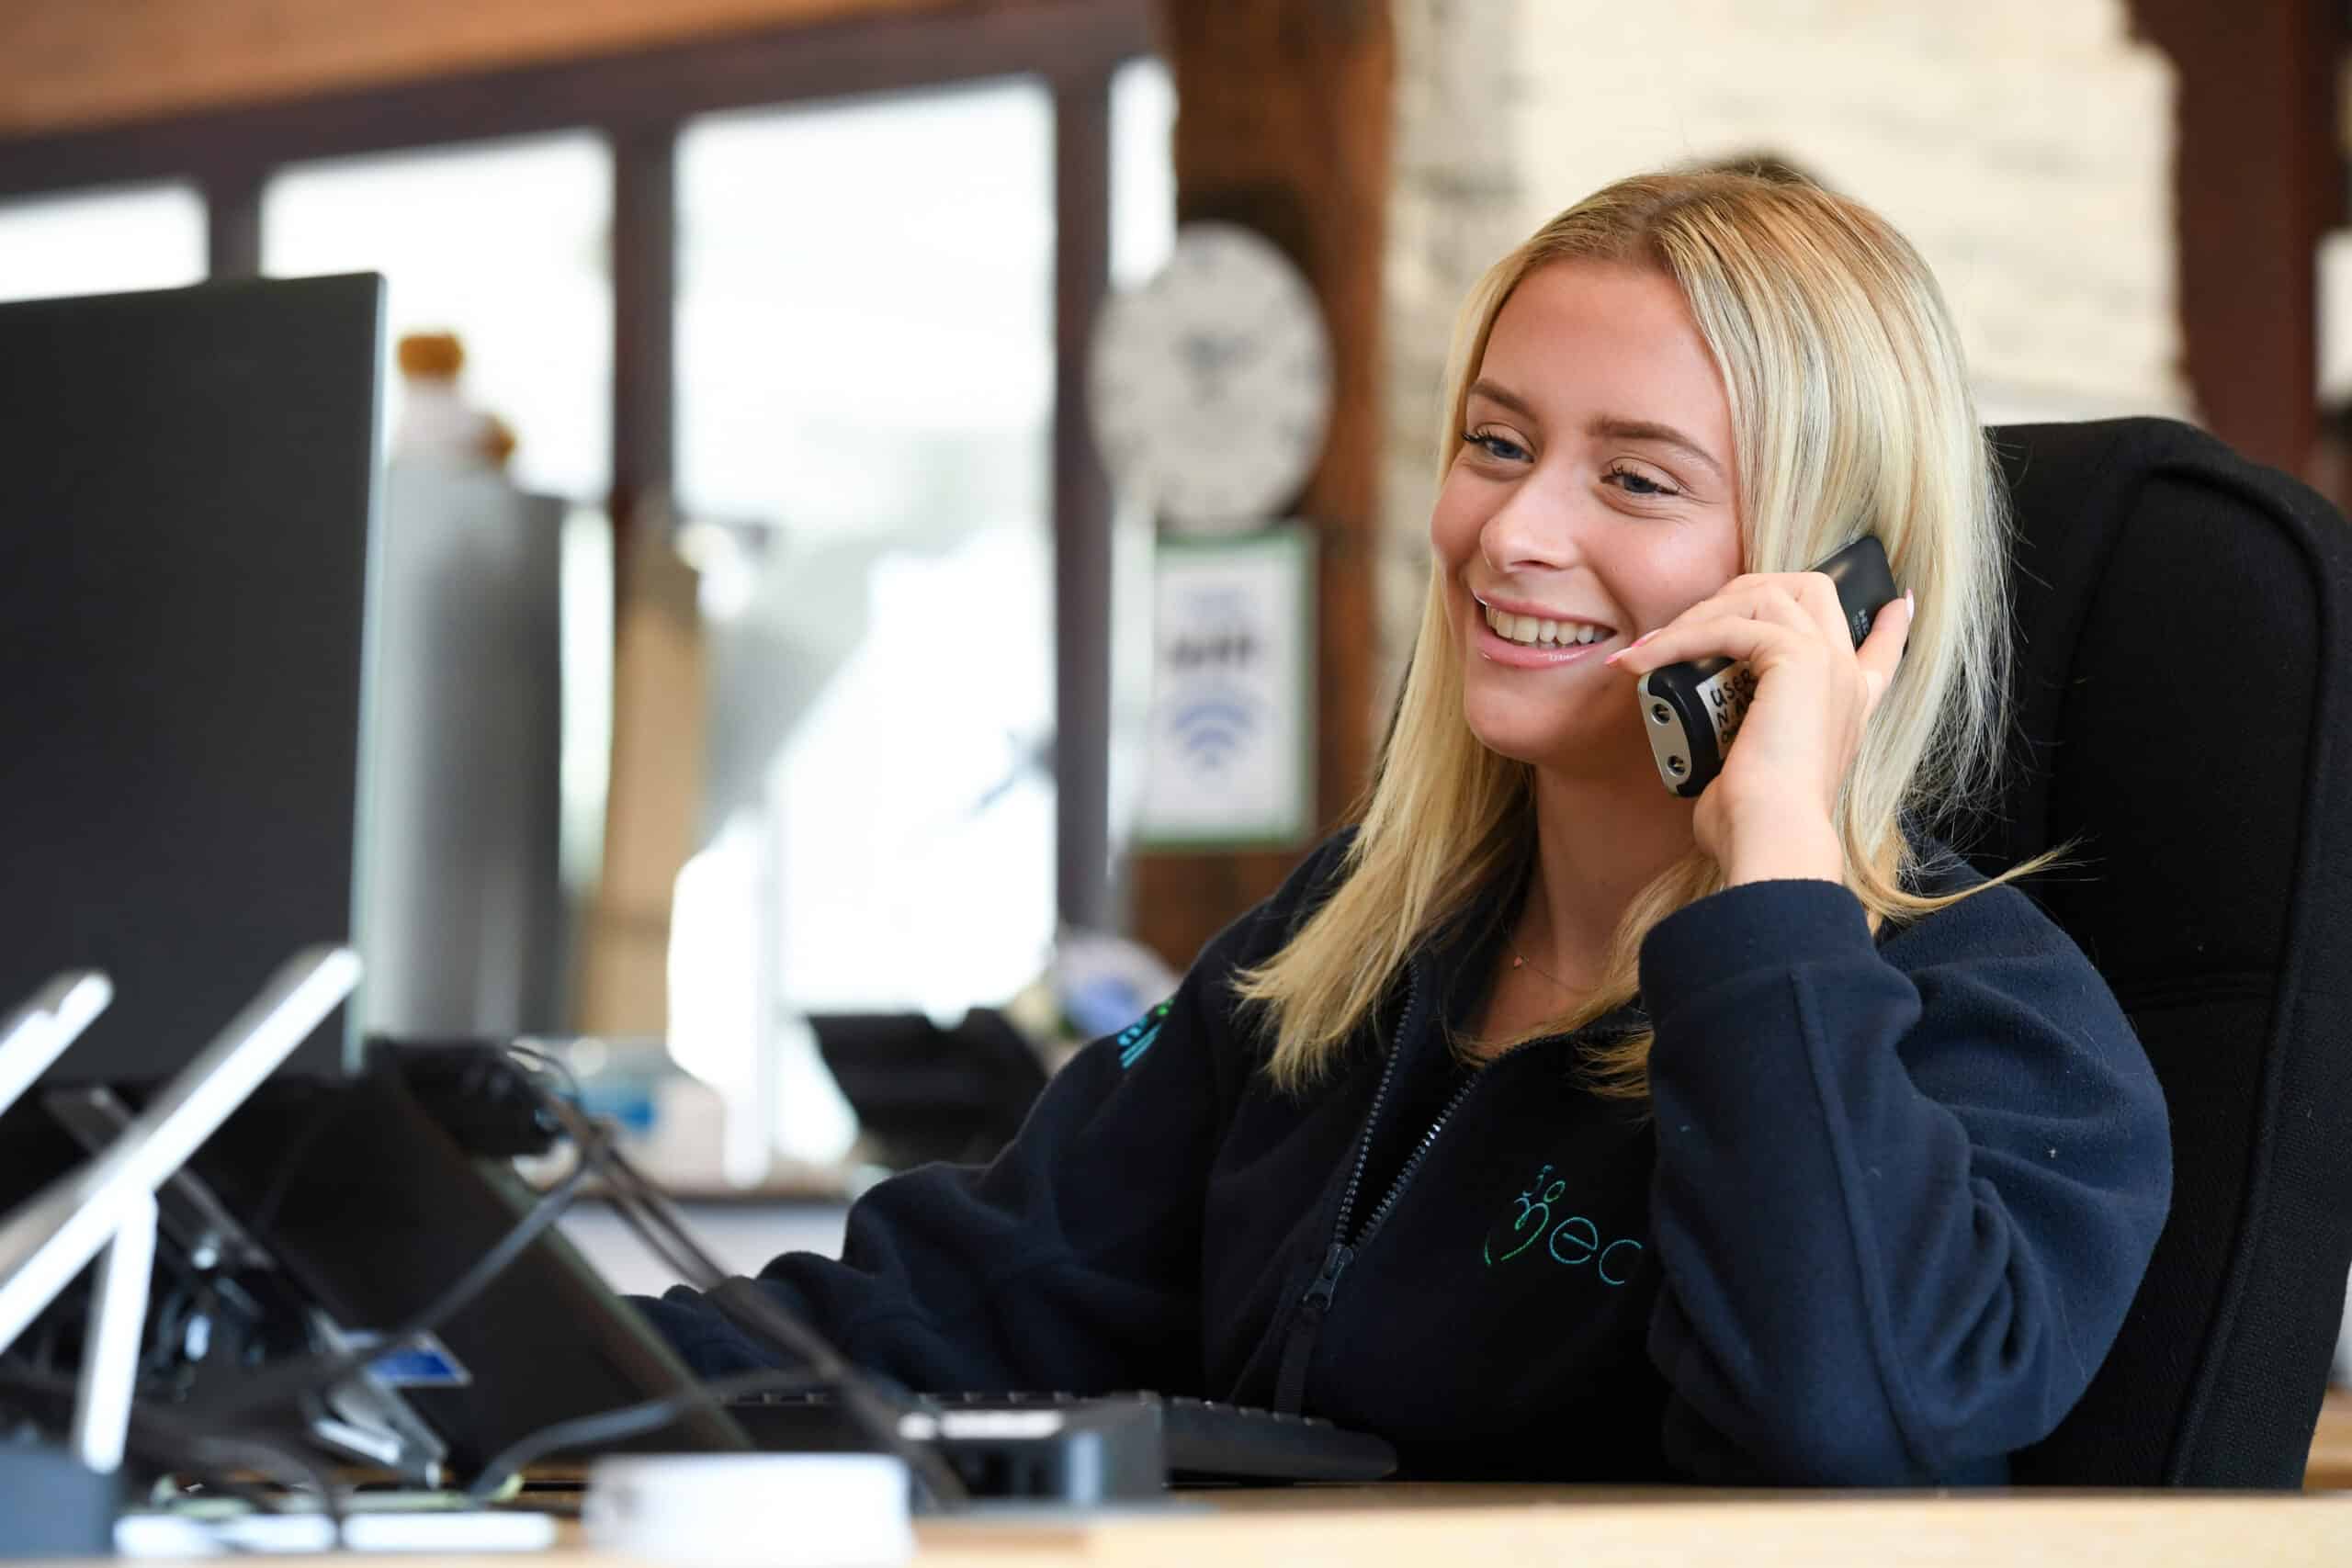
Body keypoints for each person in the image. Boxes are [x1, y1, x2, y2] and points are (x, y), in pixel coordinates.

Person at [639, 169, 2173, 1485]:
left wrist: (1771, 873)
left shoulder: (1998, 1028)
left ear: (1830, 588)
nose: (1513, 532)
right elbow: (960, 1299)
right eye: (1497, 445)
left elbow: (1846, 1425)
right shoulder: (1351, 948)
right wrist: (461, 1365)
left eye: (1636, 479)